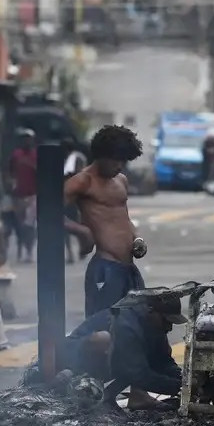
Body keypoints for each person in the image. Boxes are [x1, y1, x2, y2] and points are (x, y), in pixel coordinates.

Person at [64, 125, 145, 316]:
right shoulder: (83, 181)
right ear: (102, 155)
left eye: (123, 161)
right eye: (116, 161)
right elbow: (47, 212)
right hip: (105, 267)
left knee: (138, 325)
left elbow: (124, 219)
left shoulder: (121, 180)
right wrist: (81, 231)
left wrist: (137, 239)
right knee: (102, 328)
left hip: (129, 268)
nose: (120, 167)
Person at [60, 296, 187, 410]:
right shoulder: (127, 325)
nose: (169, 328)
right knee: (111, 345)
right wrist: (176, 387)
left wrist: (183, 380)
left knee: (137, 360)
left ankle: (123, 398)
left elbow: (163, 360)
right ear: (151, 310)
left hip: (116, 361)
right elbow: (138, 374)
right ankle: (89, 395)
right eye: (166, 321)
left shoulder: (154, 326)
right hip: (73, 361)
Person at [7, 128, 38, 262]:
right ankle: (20, 248)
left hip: (33, 194)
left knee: (29, 224)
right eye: (24, 138)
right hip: (18, 195)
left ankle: (29, 250)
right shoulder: (16, 155)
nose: (27, 141)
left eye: (29, 139)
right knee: (19, 225)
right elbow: (9, 172)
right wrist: (10, 184)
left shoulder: (37, 155)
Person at [63, 139, 88, 264]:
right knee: (66, 226)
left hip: (75, 196)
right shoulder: (67, 159)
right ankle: (71, 253)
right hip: (68, 196)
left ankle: (79, 250)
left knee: (76, 225)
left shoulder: (76, 158)